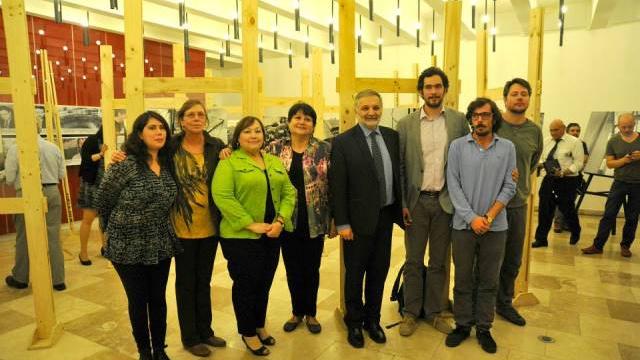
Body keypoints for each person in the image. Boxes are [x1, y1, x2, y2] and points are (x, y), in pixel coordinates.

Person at [112, 100, 228, 357]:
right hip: (178, 228)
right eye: (190, 114)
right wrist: (120, 154)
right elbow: (143, 155)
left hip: (209, 225)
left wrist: (227, 153)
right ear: (181, 120)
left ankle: (205, 330)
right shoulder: (171, 146)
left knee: (204, 281)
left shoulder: (216, 146)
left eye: (201, 114)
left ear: (206, 120)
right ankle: (190, 337)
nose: (196, 118)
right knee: (186, 283)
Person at [96, 111, 180, 360]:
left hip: (160, 242)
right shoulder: (125, 163)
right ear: (139, 134)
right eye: (152, 128)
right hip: (127, 245)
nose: (159, 132)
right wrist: (113, 232)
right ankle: (144, 350)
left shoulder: (167, 164)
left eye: (162, 128)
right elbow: (103, 201)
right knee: (138, 299)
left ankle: (159, 349)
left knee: (158, 299)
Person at [212, 116, 296, 356]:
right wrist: (250, 224)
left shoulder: (273, 160)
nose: (253, 135)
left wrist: (280, 220)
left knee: (264, 283)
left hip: (273, 234)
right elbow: (223, 196)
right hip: (240, 238)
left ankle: (259, 324)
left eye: (257, 131)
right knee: (246, 285)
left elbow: (290, 192)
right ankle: (248, 332)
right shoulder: (228, 163)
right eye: (247, 131)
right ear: (237, 137)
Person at [396, 67, 468, 336]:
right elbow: (401, 168)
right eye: (428, 87)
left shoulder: (459, 122)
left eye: (438, 86)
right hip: (416, 203)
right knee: (413, 260)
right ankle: (411, 313)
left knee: (440, 260)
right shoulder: (406, 125)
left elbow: (466, 161)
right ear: (421, 91)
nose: (433, 91)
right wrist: (403, 202)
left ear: (445, 90)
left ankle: (435, 312)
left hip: (446, 203)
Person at [329, 89, 403, 349]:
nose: (371, 112)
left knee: (378, 272)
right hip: (357, 224)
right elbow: (338, 186)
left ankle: (373, 320)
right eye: (366, 108)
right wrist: (343, 223)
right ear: (357, 110)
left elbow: (399, 175)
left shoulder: (393, 137)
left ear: (381, 109)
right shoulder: (343, 142)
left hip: (385, 217)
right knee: (355, 274)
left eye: (375, 107)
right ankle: (355, 323)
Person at [445, 98, 516, 354]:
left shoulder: (507, 147)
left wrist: (488, 217)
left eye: (485, 115)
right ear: (470, 119)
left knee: (488, 280)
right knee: (462, 278)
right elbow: (453, 184)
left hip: (495, 227)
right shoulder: (457, 147)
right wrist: (472, 218)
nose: (480, 120)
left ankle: (484, 327)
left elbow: (510, 185)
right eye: (475, 115)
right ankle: (463, 324)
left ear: (493, 118)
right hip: (463, 226)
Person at [265, 102, 332, 334]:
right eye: (297, 117)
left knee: (311, 268)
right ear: (289, 122)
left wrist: (334, 218)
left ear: (313, 125)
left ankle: (311, 313)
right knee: (292, 268)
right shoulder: (274, 148)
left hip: (314, 218)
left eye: (307, 119)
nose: (302, 122)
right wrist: (226, 150)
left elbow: (333, 185)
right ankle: (296, 312)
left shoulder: (324, 149)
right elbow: (247, 154)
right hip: (285, 220)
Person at [494, 78, 543, 326]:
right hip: (489, 205)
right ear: (505, 99)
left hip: (517, 205)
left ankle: (503, 303)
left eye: (524, 94)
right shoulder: (492, 124)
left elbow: (531, 163)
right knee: (487, 258)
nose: (520, 98)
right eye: (514, 94)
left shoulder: (534, 131)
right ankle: (480, 302)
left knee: (513, 258)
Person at [4, 122, 66, 291]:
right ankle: (58, 280)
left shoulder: (15, 149)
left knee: (24, 237)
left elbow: (9, 178)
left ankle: (21, 277)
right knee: (53, 236)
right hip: (52, 191)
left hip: (26, 193)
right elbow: (61, 174)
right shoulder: (53, 148)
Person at [582, 113, 640, 257]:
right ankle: (598, 245)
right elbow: (610, 163)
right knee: (608, 214)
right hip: (619, 182)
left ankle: (625, 246)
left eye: (629, 127)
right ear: (618, 126)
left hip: (638, 184)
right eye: (623, 127)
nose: (626, 129)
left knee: (632, 217)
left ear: (634, 124)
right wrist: (625, 160)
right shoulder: (613, 141)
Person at [532, 119, 584, 248]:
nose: (553, 133)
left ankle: (575, 231)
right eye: (551, 130)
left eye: (555, 130)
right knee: (545, 210)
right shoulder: (547, 141)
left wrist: (565, 172)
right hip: (549, 179)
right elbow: (543, 159)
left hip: (567, 180)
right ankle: (541, 239)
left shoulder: (575, 142)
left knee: (567, 209)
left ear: (563, 129)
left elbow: (579, 163)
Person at [77, 127, 107, 265]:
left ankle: (106, 248)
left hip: (107, 186)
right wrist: (101, 154)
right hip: (92, 185)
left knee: (105, 221)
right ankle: (83, 252)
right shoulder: (92, 140)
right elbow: (86, 160)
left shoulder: (113, 140)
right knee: (88, 220)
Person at [554, 122, 589, 233]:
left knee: (570, 201)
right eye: (573, 130)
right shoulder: (561, 143)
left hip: (575, 177)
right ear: (567, 132)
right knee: (561, 200)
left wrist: (574, 167)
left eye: (577, 131)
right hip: (560, 175)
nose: (575, 133)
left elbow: (584, 160)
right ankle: (558, 224)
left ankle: (567, 223)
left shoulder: (582, 143)